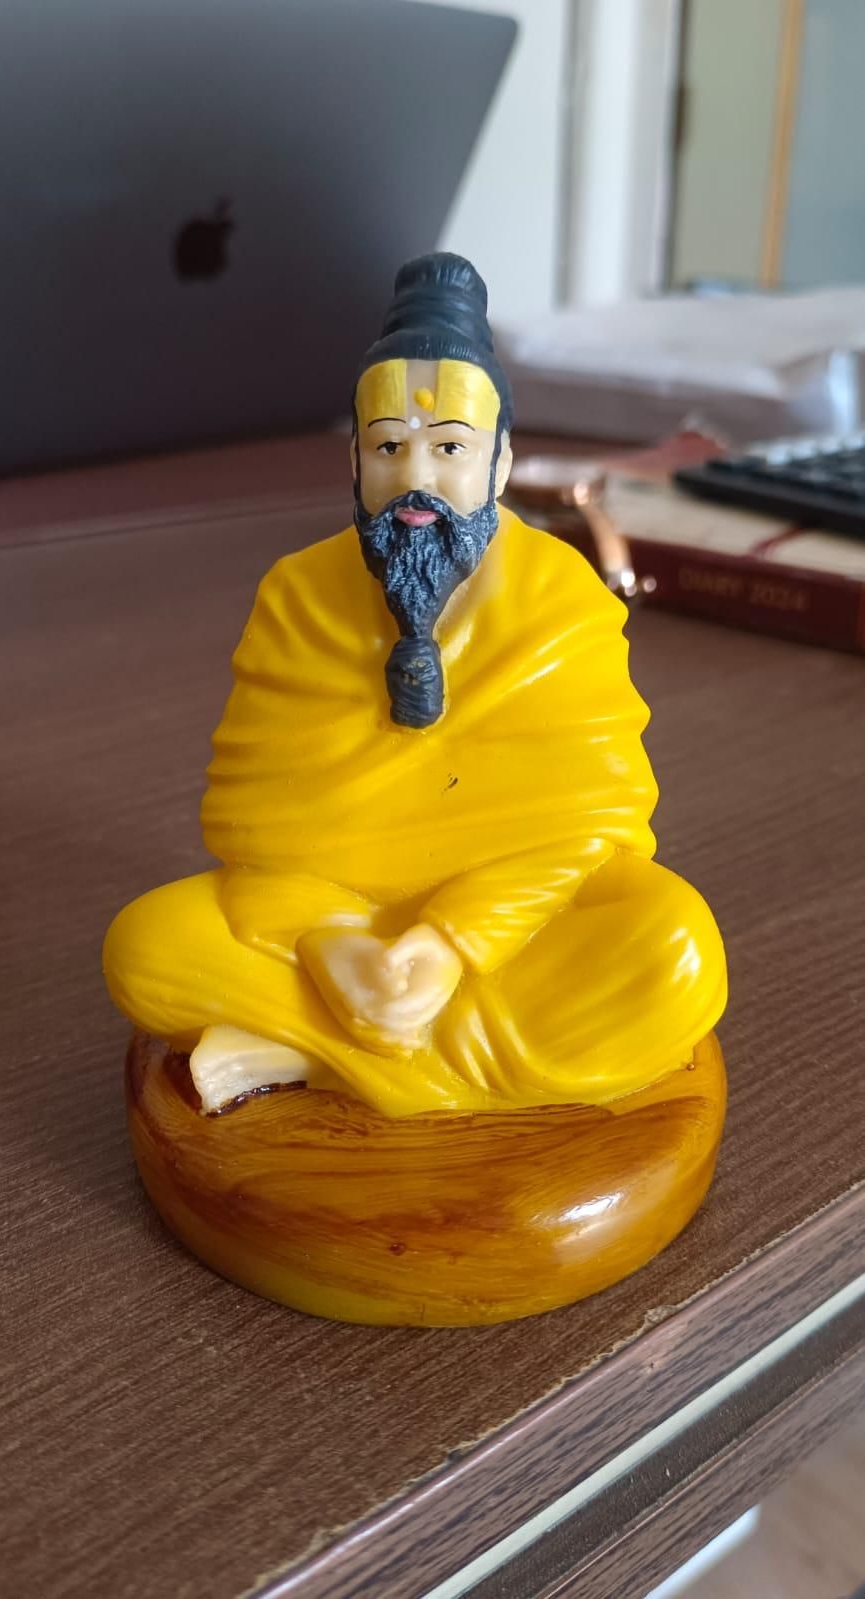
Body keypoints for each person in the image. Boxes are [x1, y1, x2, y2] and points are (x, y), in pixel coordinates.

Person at [104, 253, 727, 1119]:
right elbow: (255, 820)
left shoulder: (562, 594)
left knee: (675, 949)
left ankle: (320, 1054)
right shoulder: (298, 593)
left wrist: (450, 943)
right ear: (355, 462)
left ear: (500, 465)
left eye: (450, 448)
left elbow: (593, 826)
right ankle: (427, 1062)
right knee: (147, 948)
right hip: (327, 920)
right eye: (389, 446)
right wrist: (330, 941)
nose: (416, 479)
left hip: (511, 926)